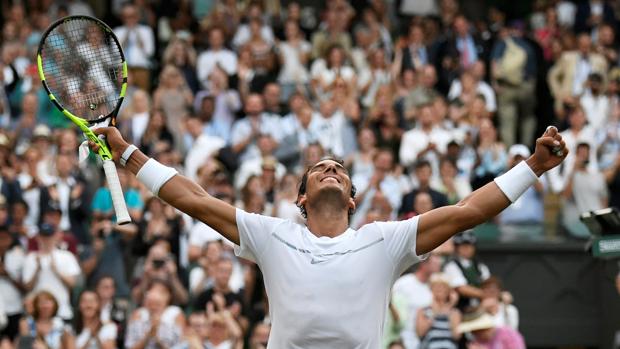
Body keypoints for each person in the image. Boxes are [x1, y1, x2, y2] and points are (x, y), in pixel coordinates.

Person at [89, 125, 568, 347]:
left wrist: (534, 168)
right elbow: (194, 200)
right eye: (320, 168)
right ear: (301, 199)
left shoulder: (385, 240)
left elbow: (466, 211)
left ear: (353, 200)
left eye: (338, 168)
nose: (331, 169)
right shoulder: (271, 234)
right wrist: (129, 154)